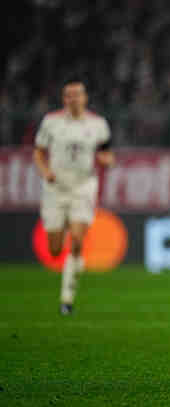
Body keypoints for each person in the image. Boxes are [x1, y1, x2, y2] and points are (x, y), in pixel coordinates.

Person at [33, 77, 115, 315]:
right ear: (64, 99)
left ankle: (66, 299)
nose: (73, 99)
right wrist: (45, 171)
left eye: (77, 94)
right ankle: (67, 285)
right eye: (69, 95)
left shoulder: (98, 124)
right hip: (56, 188)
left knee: (78, 240)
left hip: (83, 186)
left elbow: (108, 155)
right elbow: (38, 153)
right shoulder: (51, 122)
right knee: (56, 249)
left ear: (85, 97)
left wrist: (106, 160)